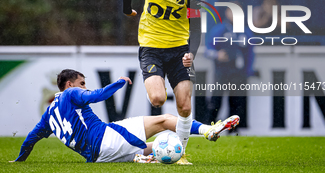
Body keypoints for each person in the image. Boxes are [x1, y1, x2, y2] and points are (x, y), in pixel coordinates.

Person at [10, 69, 240, 164]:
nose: (84, 87)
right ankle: (207, 131)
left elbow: (31, 139)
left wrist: (19, 160)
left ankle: (142, 158)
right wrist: (119, 83)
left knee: (157, 146)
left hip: (97, 157)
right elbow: (97, 95)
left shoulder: (48, 114)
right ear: (69, 84)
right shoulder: (71, 93)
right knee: (164, 120)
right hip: (105, 139)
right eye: (82, 83)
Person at [122, 0, 202, 164]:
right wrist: (127, 10)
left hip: (179, 50)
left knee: (185, 106)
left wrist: (191, 53)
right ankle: (160, 141)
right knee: (157, 98)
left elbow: (196, 27)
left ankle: (181, 153)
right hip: (151, 47)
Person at [205, 4, 254, 127]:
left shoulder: (245, 32)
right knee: (216, 101)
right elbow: (208, 50)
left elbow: (250, 54)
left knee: (237, 103)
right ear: (227, 13)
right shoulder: (219, 30)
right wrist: (217, 55)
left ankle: (234, 130)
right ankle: (209, 127)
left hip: (238, 74)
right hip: (222, 72)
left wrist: (248, 72)